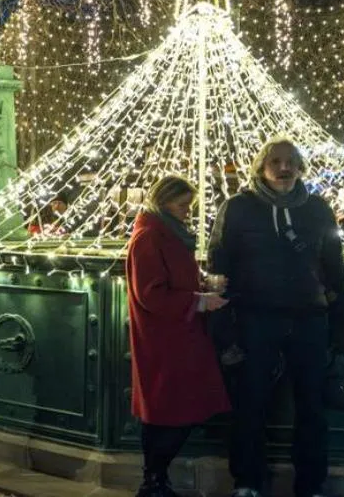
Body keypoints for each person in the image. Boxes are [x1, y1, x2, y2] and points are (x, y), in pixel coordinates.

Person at [208, 137, 344, 497]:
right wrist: (224, 325)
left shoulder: (317, 209)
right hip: (255, 318)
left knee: (311, 406)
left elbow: (335, 267)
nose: (284, 168)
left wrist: (341, 321)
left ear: (300, 167)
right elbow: (219, 262)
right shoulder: (238, 208)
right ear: (261, 167)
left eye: (290, 161)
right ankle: (247, 481)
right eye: (276, 161)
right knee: (250, 403)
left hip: (309, 318)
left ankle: (311, 484)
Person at [128, 175, 231, 497]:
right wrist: (199, 301)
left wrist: (203, 283)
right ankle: (153, 480)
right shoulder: (150, 236)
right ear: (163, 201)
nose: (188, 211)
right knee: (171, 411)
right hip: (165, 339)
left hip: (178, 335)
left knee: (170, 411)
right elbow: (151, 293)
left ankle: (155, 480)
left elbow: (174, 277)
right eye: (182, 204)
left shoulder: (167, 232)